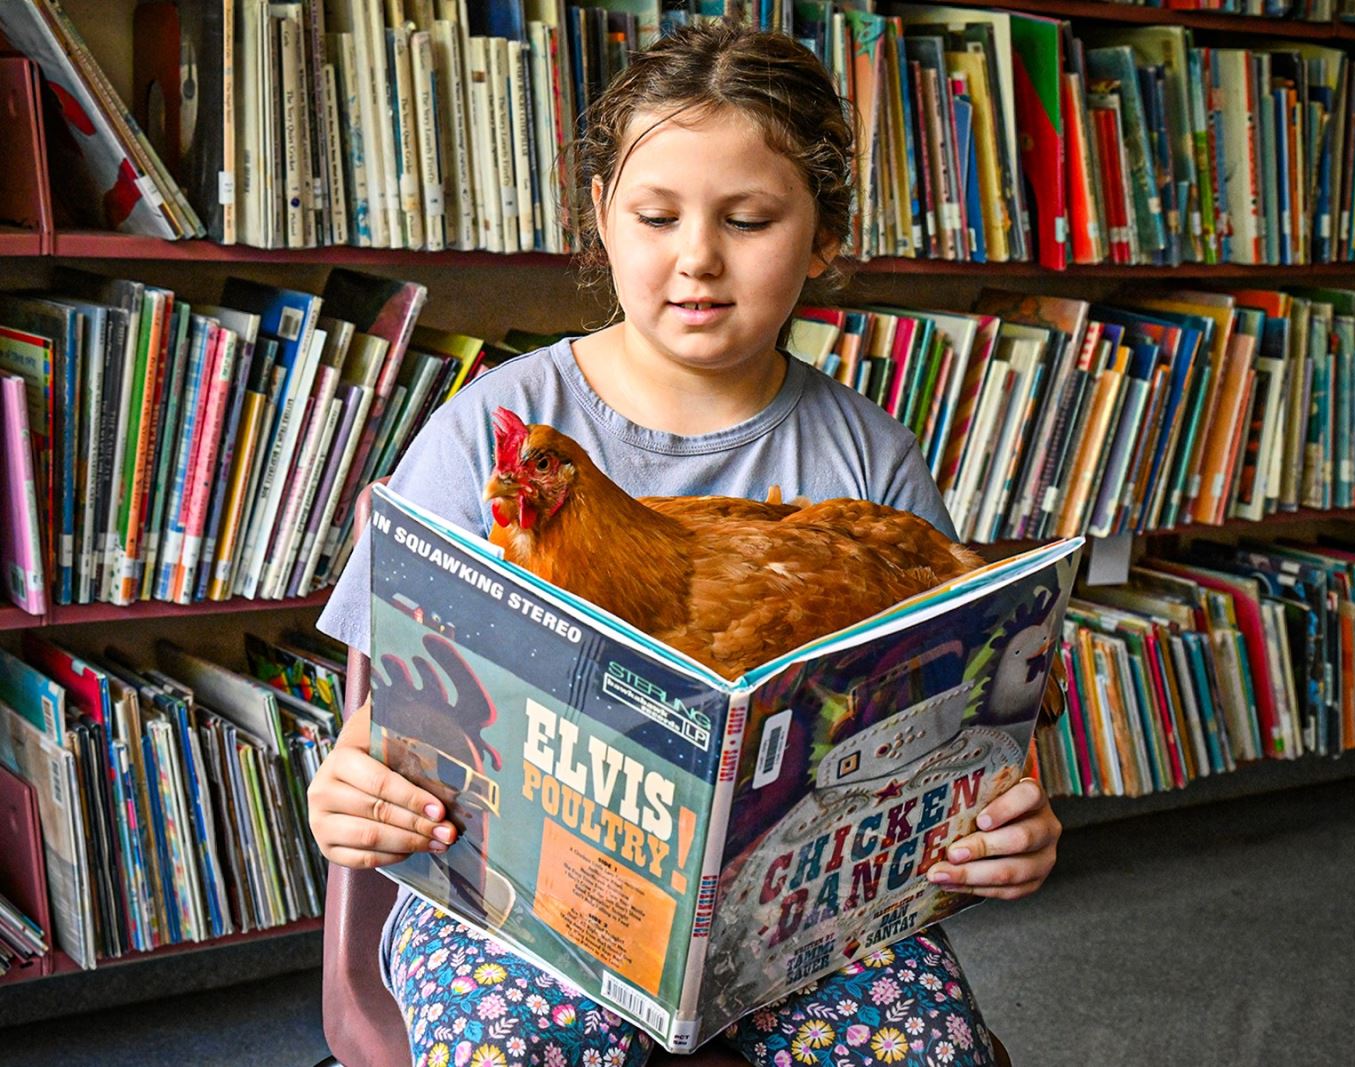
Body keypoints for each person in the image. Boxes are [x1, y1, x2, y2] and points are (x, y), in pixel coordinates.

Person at [308, 21, 1062, 1067]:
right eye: (656, 215)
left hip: (798, 916)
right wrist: (353, 793)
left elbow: (949, 717)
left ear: (823, 237)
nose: (697, 255)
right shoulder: (498, 429)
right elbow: (383, 727)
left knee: (919, 1048)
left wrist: (999, 824)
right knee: (510, 1048)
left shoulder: (867, 455)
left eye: (747, 219)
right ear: (602, 223)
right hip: (519, 902)